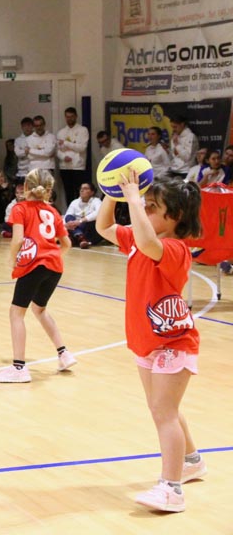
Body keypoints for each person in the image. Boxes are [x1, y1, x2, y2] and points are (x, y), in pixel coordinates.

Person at [95, 175, 205, 513]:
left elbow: (146, 240)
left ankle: (172, 489)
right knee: (163, 408)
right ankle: (192, 461)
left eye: (152, 207)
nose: (144, 210)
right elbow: (103, 227)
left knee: (163, 412)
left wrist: (132, 198)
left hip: (174, 343)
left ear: (176, 217)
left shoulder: (174, 249)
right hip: (147, 341)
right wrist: (112, 193)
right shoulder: (137, 240)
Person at [0, 168, 77, 383]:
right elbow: (67, 243)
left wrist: (12, 259)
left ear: (25, 187)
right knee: (39, 309)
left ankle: (19, 368)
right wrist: (52, 257)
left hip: (34, 264)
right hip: (54, 266)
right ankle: (64, 354)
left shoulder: (20, 208)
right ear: (49, 190)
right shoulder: (53, 212)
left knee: (16, 313)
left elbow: (18, 239)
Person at [55, 106, 90, 210]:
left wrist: (66, 143)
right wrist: (63, 156)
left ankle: (81, 212)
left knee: (80, 192)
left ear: (76, 116)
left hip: (78, 167)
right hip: (64, 166)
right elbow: (57, 150)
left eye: (71, 116)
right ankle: (70, 212)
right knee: (68, 192)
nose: (69, 119)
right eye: (67, 117)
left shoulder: (82, 130)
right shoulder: (61, 132)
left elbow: (82, 147)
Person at [64, 183, 102, 248]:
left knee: (90, 222)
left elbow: (98, 213)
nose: (82, 190)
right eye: (81, 188)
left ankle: (76, 238)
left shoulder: (96, 201)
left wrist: (80, 221)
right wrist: (68, 224)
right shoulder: (75, 202)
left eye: (85, 188)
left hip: (89, 228)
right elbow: (67, 215)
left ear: (92, 192)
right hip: (76, 227)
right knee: (68, 217)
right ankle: (81, 238)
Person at [168, 113, 199, 179]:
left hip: (186, 171)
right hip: (174, 170)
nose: (173, 129)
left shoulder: (190, 136)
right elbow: (174, 155)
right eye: (172, 127)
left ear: (182, 124)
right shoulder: (174, 136)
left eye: (175, 127)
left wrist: (177, 145)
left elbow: (187, 157)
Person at [13, 117, 34, 184]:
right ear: (22, 127)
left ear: (32, 126)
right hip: (22, 172)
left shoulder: (36, 138)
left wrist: (27, 151)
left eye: (29, 125)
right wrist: (25, 151)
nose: (27, 128)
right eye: (24, 126)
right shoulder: (18, 140)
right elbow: (18, 153)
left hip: (34, 170)